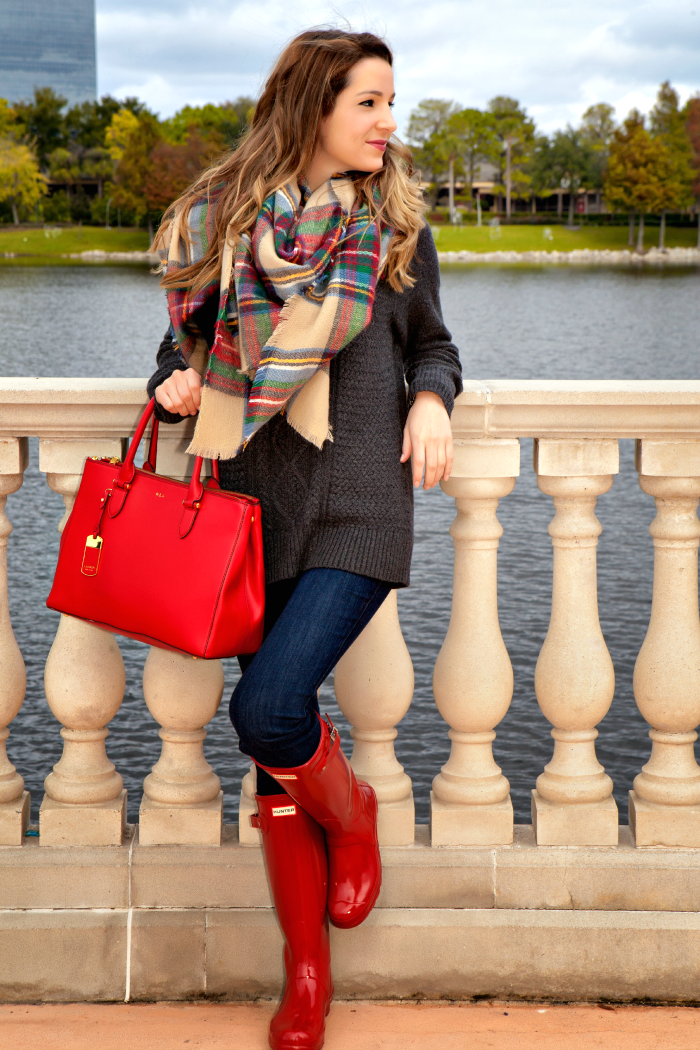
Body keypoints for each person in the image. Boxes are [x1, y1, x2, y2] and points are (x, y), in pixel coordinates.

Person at [148, 28, 462, 1050]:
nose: (388, 122)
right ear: (312, 105)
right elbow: (182, 343)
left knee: (270, 709)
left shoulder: (394, 229)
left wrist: (432, 399)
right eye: (369, 101)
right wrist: (175, 379)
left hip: (361, 498)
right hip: (253, 504)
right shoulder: (225, 224)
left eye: (390, 101)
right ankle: (306, 982)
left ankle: (355, 813)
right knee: (272, 754)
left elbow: (435, 347)